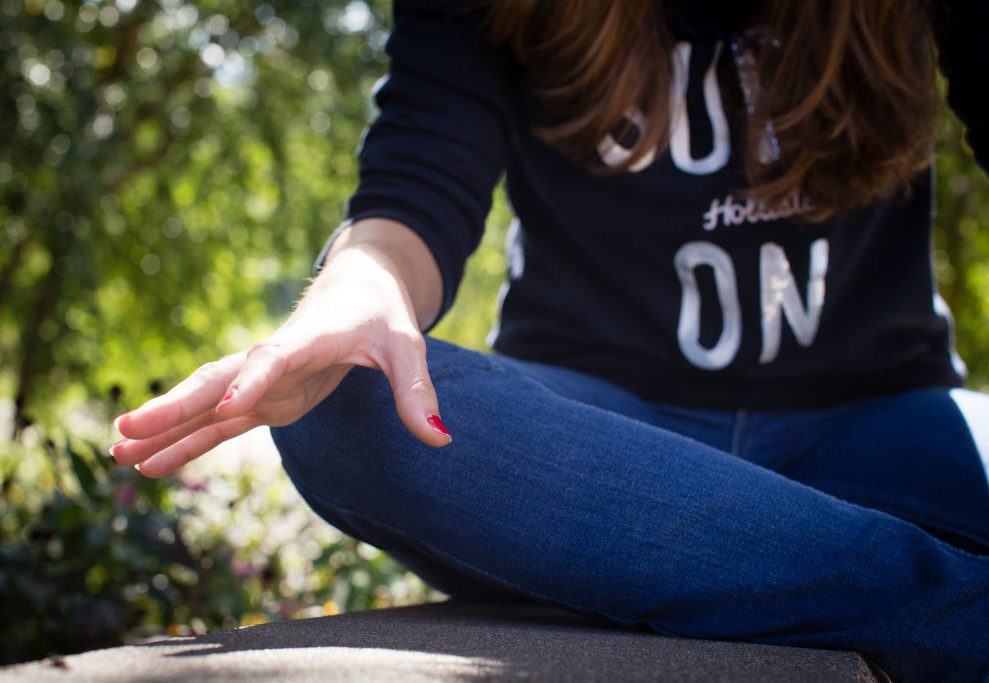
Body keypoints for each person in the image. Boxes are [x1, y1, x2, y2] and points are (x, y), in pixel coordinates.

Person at [111, 1, 989, 680]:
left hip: (884, 417)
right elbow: (418, 181)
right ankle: (957, 614)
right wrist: (355, 290)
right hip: (605, 439)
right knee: (342, 395)